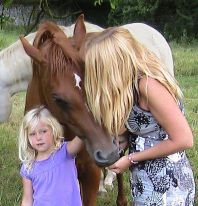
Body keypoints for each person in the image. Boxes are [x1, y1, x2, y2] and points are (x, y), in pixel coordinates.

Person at [83, 27, 195, 205]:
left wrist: (130, 158)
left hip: (167, 186)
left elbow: (184, 139)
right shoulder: (133, 87)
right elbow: (150, 129)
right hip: (145, 182)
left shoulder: (149, 86)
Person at [18, 105, 83, 206]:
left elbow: (82, 136)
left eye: (43, 131)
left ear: (54, 130)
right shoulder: (28, 168)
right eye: (32, 134)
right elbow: (27, 200)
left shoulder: (65, 152)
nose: (38, 137)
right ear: (27, 137)